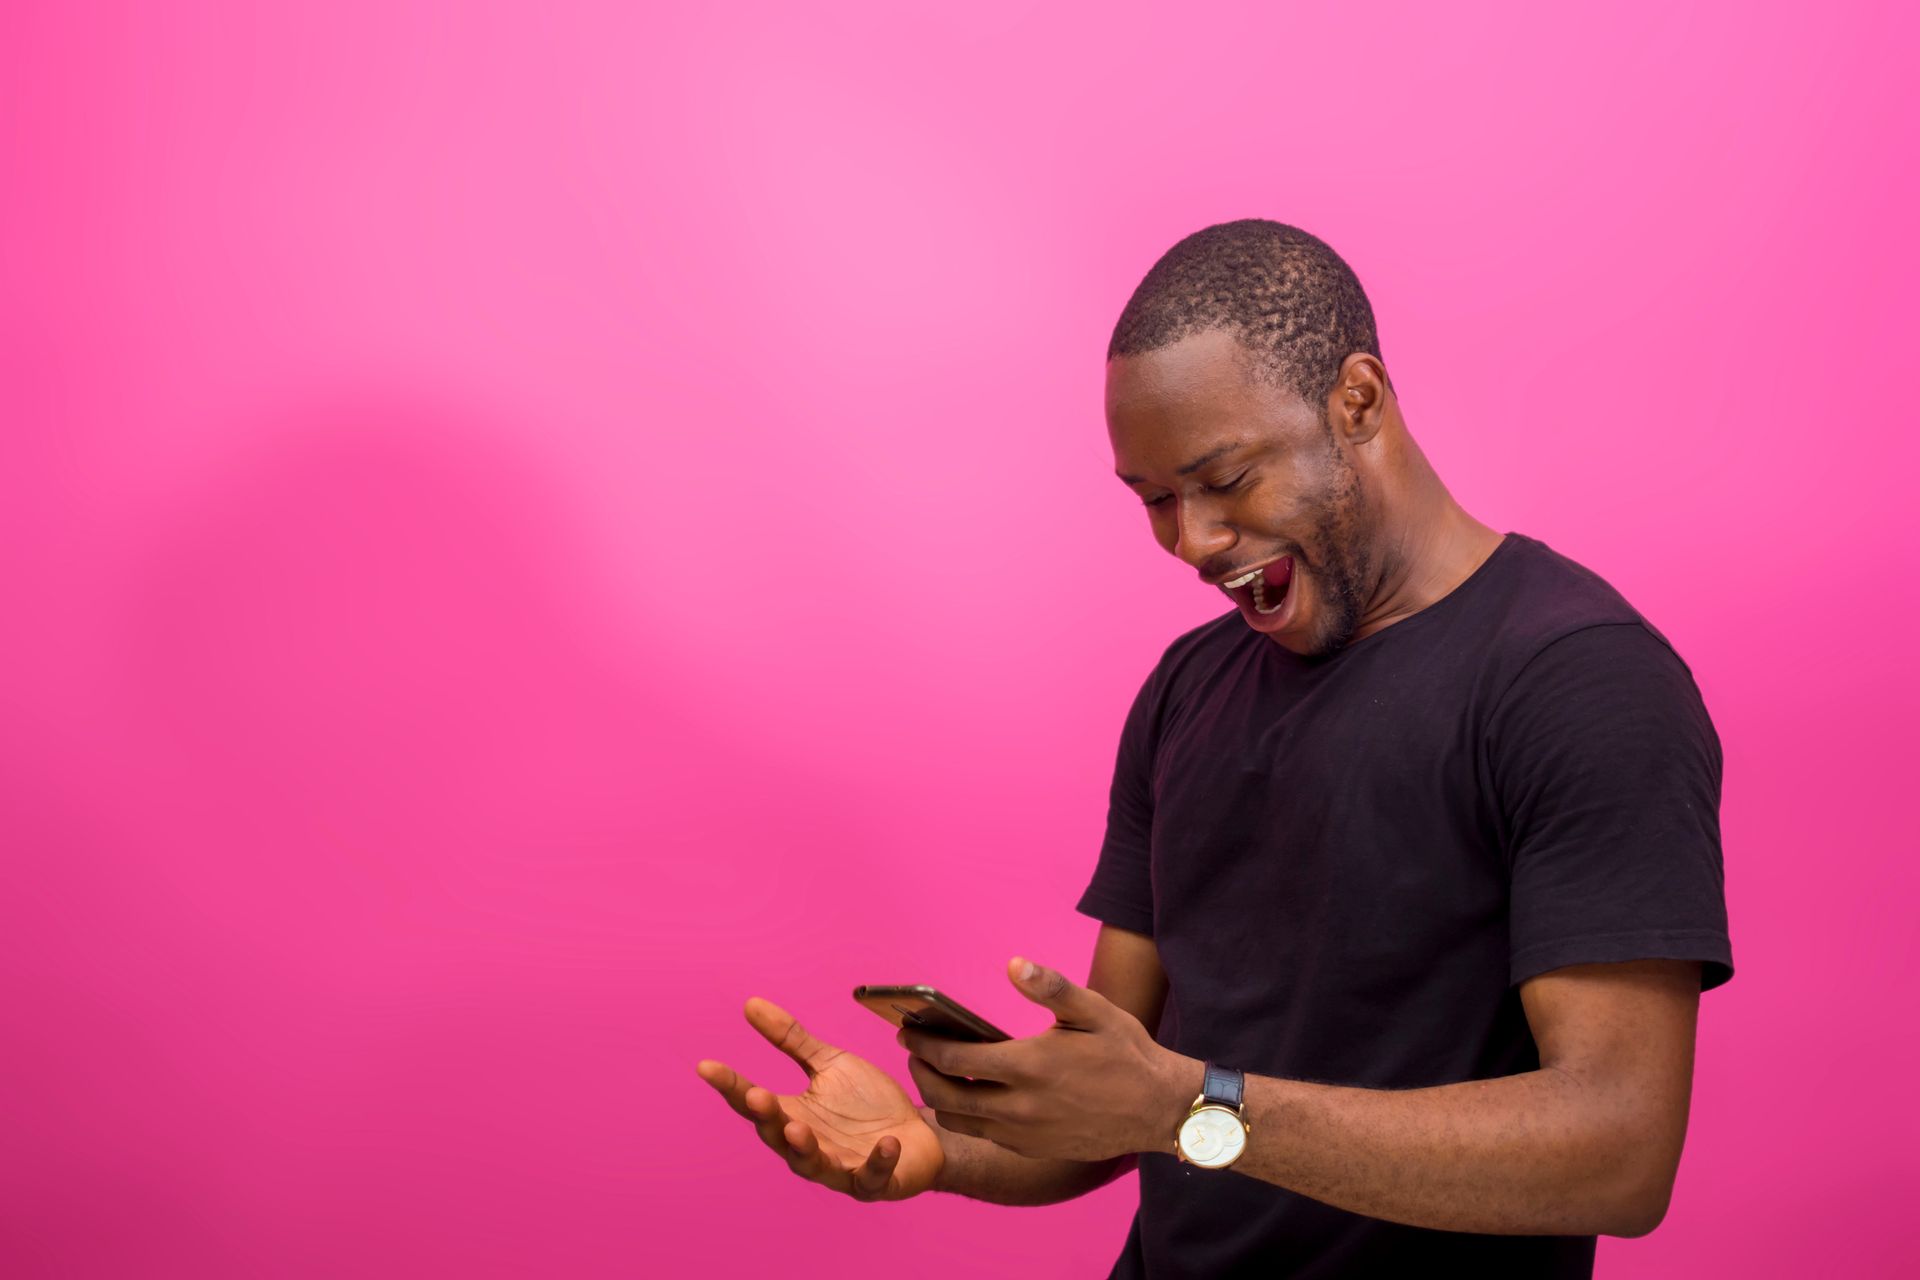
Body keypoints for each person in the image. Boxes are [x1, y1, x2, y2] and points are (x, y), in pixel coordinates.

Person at [696, 219, 1733, 1278]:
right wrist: (936, 1142)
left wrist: (1197, 1102)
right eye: (1154, 499)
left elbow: (1618, 1147)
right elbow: (1124, 1098)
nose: (1190, 541)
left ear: (1358, 403)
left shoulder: (1579, 680)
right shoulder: (1186, 688)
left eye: (1226, 478)